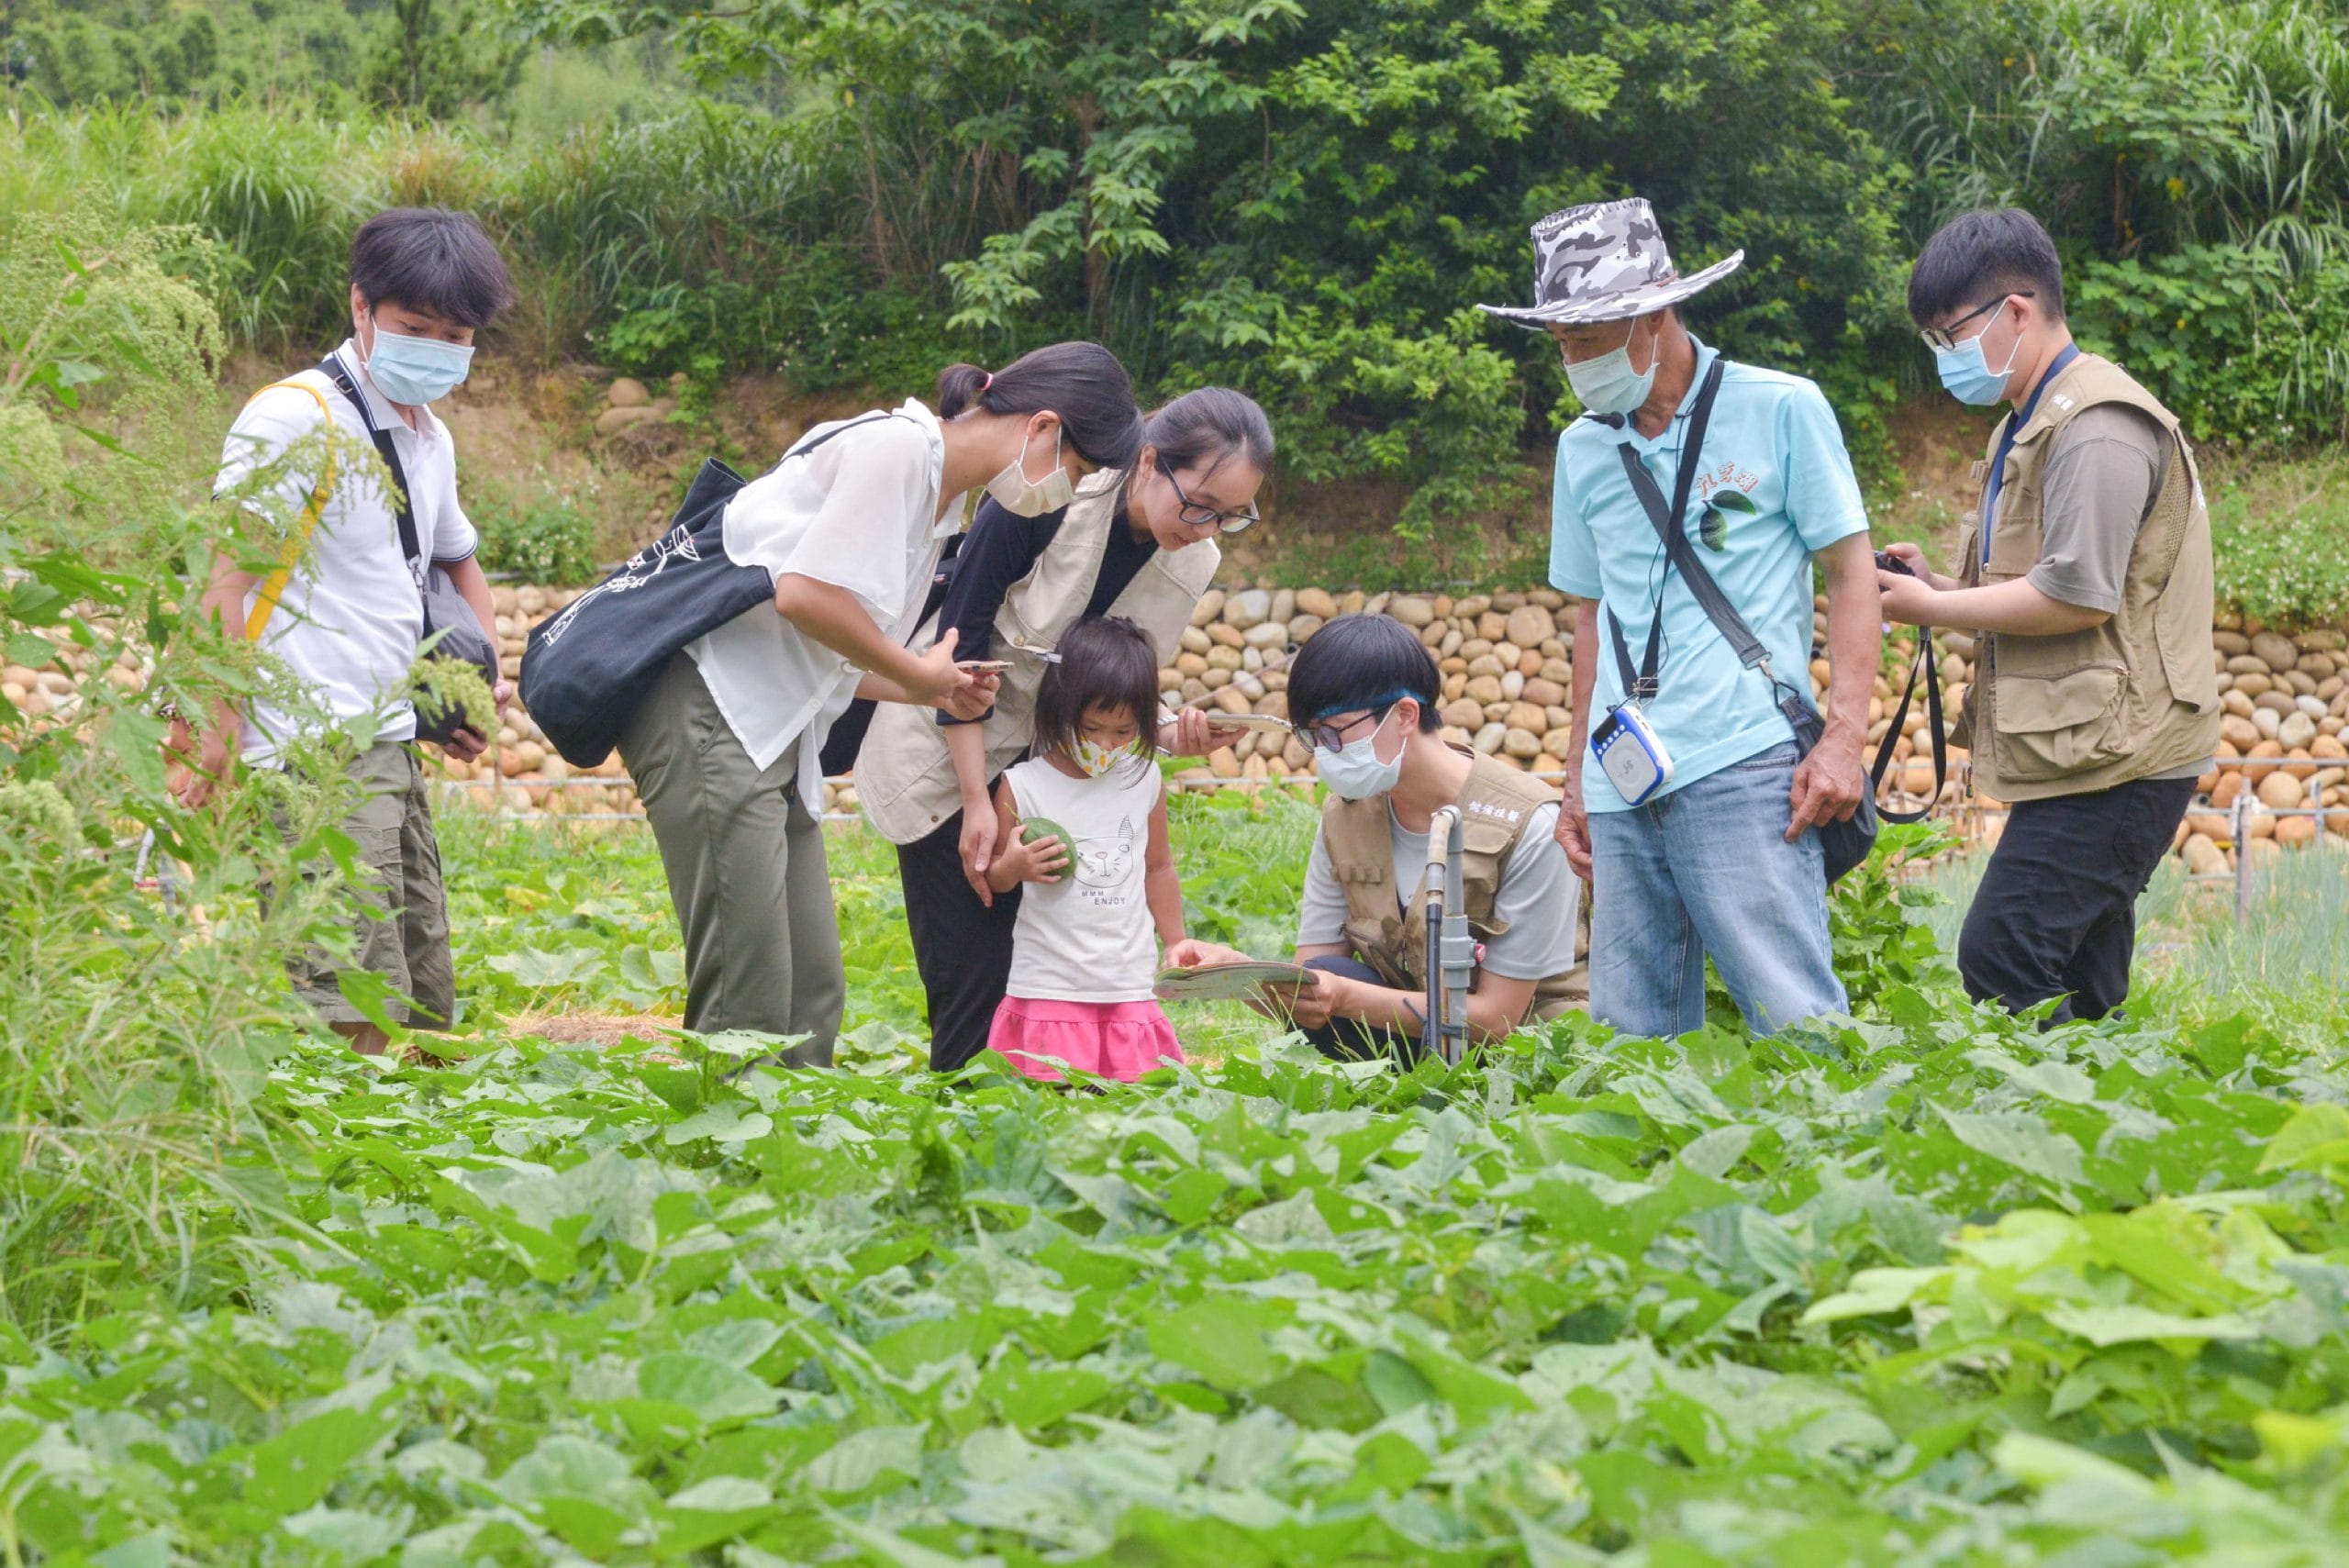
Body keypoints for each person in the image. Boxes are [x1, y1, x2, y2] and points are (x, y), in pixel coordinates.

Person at [618, 343, 1145, 1065]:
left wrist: (930, 684)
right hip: (711, 706)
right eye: (1078, 473)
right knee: (750, 994)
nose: (1065, 491)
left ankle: (791, 1162)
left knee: (812, 993)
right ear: (1044, 428)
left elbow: (837, 654)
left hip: (779, 725)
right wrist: (919, 675)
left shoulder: (942, 507)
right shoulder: (898, 449)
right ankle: (722, 1161)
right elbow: (803, 595)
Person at [1475, 196, 1880, 1039]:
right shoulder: (1582, 449)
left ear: (1656, 314)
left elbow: (1851, 576)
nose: (1575, 360)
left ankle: (1840, 1162)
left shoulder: (1782, 407)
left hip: (1745, 761)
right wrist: (1577, 782)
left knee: (1794, 1015)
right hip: (1626, 779)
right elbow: (1591, 619)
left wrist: (1844, 735)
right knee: (1633, 1035)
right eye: (1563, 343)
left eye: (1590, 337)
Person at [171, 206, 515, 1054]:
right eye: (415, 327)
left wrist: (482, 683)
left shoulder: (429, 436)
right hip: (308, 749)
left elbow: (456, 561)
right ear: (360, 307)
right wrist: (212, 730)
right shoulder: (294, 417)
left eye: (455, 334)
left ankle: (404, 1171)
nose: (435, 348)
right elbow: (225, 575)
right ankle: (330, 1165)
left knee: (427, 996)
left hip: (387, 741)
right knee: (344, 1001)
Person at [852, 387, 1273, 1071]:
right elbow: (965, 638)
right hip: (948, 746)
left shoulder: (1194, 558)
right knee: (971, 974)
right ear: (1148, 460)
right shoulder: (1052, 487)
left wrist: (1167, 730)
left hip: (1058, 768)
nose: (1204, 529)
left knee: (1040, 974)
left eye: (1229, 518)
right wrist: (973, 798)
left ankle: (1051, 1144)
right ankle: (967, 1134)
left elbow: (1115, 683)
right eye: (1198, 504)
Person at [1878, 207, 2220, 1023]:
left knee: (2001, 954)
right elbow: (2026, 585)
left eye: (1949, 334)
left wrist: (1931, 604)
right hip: (2092, 748)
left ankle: (2022, 1132)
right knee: (2085, 988)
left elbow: (2076, 594)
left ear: (2017, 312)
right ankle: (2114, 1133)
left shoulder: (2097, 426)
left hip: (2123, 758)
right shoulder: (2029, 420)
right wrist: (1938, 586)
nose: (1944, 357)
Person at [1164, 615, 1583, 1058]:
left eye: (1334, 732)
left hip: (1527, 1054)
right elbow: (1314, 987)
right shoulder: (1344, 817)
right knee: (1326, 971)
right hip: (1420, 1040)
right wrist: (1242, 974)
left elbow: (1496, 1019)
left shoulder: (1531, 824)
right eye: (1312, 737)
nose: (1324, 753)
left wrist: (1343, 996)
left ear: (1404, 715)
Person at [980, 617, 1190, 1081]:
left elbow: (1158, 868)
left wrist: (1175, 940)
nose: (1104, 744)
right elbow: (993, 875)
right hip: (1050, 980)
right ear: (1060, 707)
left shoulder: (1144, 778)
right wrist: (1014, 867)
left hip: (1125, 982)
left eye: (1123, 731)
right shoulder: (1022, 785)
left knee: (1133, 1104)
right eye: (1092, 727)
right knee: (1052, 1102)